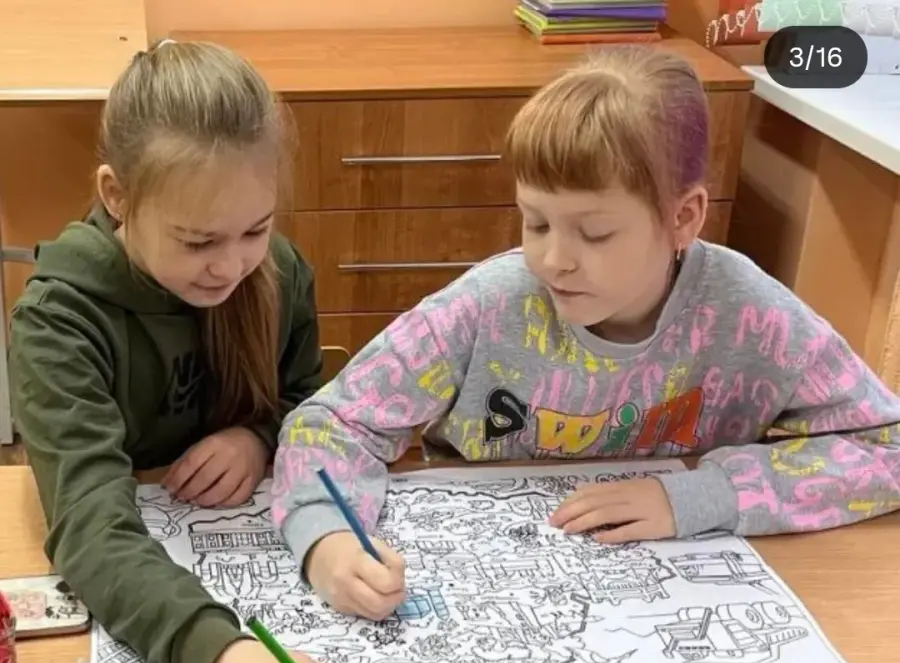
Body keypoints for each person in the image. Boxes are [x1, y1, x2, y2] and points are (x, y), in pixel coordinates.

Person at [269, 45, 900, 622]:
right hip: (488, 591)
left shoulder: (751, 315)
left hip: (673, 600)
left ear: (683, 217)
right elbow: (331, 423)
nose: (553, 261)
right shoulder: (490, 304)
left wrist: (700, 496)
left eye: (594, 233)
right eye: (535, 223)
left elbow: (886, 448)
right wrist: (326, 537)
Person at [9, 39, 345, 663]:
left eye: (256, 229)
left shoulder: (278, 272)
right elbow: (89, 523)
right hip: (141, 577)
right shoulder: (58, 322)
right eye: (197, 242)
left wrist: (260, 437)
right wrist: (219, 659)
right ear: (117, 197)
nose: (231, 264)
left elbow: (307, 402)